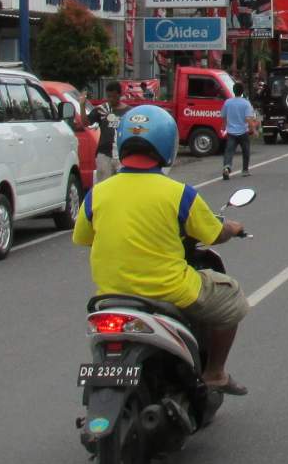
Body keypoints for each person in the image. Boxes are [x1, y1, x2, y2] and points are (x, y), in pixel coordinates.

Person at [72, 105, 250, 395]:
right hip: (169, 291)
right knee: (232, 297)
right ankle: (215, 374)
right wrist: (231, 227)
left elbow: (84, 238)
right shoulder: (179, 194)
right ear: (168, 145)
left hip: (110, 296)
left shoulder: (96, 194)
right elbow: (214, 234)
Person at [220, 81, 258, 179]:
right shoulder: (245, 103)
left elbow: (223, 116)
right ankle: (245, 170)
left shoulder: (228, 102)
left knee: (229, 151)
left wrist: (223, 126)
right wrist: (253, 130)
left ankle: (227, 167)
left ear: (233, 91)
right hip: (243, 131)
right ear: (242, 91)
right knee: (246, 151)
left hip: (231, 132)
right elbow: (248, 119)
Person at [94, 81, 124, 181]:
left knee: (121, 183)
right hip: (104, 153)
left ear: (119, 95)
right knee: (103, 183)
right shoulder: (102, 109)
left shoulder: (128, 111)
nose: (111, 99)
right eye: (108, 96)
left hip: (122, 154)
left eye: (113, 96)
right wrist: (82, 105)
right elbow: (86, 123)